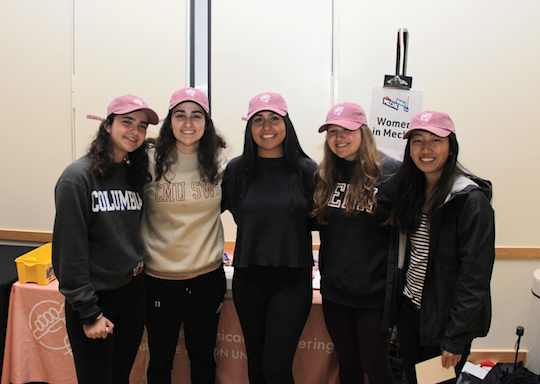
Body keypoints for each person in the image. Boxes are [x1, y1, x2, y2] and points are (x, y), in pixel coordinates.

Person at [52, 94, 159, 384]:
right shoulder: (77, 179)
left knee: (119, 377)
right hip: (97, 300)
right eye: (127, 122)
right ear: (108, 125)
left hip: (132, 294)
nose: (135, 131)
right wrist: (89, 313)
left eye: (142, 126)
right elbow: (68, 251)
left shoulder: (134, 176)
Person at [388, 110, 495, 384]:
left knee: (435, 383)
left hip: (444, 321)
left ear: (451, 147)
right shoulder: (412, 191)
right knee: (412, 380)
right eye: (417, 141)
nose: (426, 149)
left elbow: (475, 277)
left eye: (435, 140)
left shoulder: (469, 201)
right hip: (411, 314)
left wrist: (456, 337)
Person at [221, 92, 317, 384]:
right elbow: (206, 211)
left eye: (274, 119)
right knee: (256, 367)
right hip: (248, 278)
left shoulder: (307, 170)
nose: (267, 127)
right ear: (249, 128)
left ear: (286, 124)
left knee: (276, 367)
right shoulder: (237, 170)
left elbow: (322, 222)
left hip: (292, 280)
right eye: (258, 120)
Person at [141, 87, 227, 384]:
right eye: (180, 115)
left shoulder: (220, 159)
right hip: (159, 279)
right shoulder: (148, 159)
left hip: (206, 278)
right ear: (170, 120)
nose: (188, 123)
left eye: (196, 116)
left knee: (203, 357)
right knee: (161, 360)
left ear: (206, 121)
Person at [312, 103, 398, 384]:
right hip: (336, 292)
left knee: (375, 367)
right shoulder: (325, 175)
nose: (340, 138)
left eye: (347, 130)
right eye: (332, 132)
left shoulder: (391, 174)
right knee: (348, 364)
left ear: (363, 132)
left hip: (374, 295)